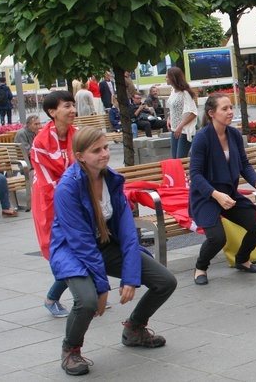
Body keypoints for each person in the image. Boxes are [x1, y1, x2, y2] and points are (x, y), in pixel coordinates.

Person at [51, 127, 176, 376]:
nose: (104, 154)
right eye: (96, 150)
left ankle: (134, 329)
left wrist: (130, 277)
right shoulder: (67, 188)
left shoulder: (112, 179)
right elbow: (81, 243)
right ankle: (71, 350)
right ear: (80, 156)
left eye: (106, 147)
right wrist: (102, 288)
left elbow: (128, 233)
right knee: (86, 301)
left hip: (106, 245)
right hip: (73, 251)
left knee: (165, 281)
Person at [190, 93, 256, 285]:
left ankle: (242, 259)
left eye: (231, 107)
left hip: (229, 195)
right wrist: (215, 195)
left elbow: (244, 164)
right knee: (217, 238)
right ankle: (201, 267)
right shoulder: (202, 138)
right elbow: (196, 175)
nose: (230, 112)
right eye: (224, 109)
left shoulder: (234, 134)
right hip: (206, 197)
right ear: (211, 113)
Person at [30, 91, 80, 318]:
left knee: (81, 245)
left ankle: (86, 292)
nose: (72, 110)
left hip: (75, 197)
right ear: (52, 112)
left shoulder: (77, 135)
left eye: (73, 105)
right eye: (67, 106)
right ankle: (53, 297)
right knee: (63, 249)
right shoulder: (40, 142)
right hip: (49, 201)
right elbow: (48, 183)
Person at [165, 66, 197, 158]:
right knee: (174, 159)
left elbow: (193, 113)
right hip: (174, 129)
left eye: (167, 76)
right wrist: (169, 118)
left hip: (184, 130)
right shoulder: (172, 91)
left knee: (180, 158)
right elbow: (173, 107)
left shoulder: (185, 93)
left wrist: (180, 126)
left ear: (173, 78)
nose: (165, 79)